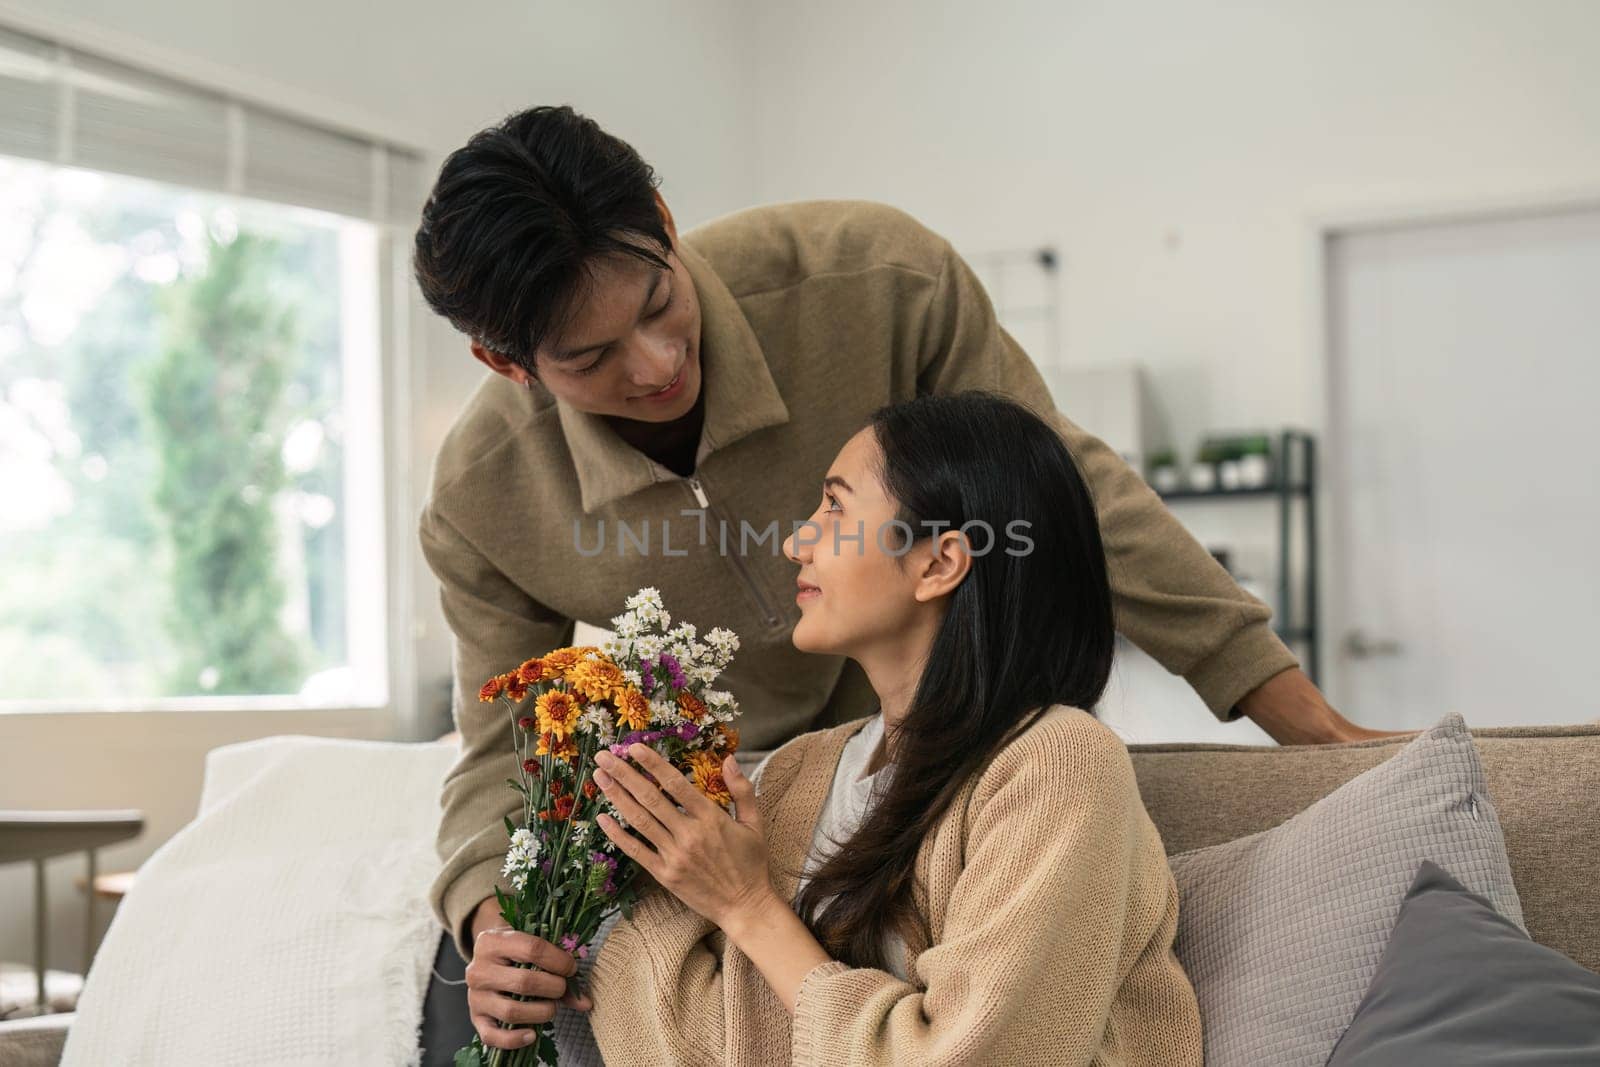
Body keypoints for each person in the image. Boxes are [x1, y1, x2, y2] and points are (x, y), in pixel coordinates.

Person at [409, 105, 1409, 1060]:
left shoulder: (872, 281)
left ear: (667, 227)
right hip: (766, 808)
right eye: (592, 357)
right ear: (507, 362)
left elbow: (1063, 489)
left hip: (937, 754)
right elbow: (501, 740)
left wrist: (1307, 725)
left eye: (661, 302)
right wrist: (495, 916)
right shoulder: (481, 496)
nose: (660, 362)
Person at [576, 391, 1205, 1064]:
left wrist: (749, 906)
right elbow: (718, 1032)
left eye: (835, 507)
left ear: (938, 563)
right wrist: (571, 946)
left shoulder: (1060, 762)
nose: (794, 541)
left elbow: (980, 1054)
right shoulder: (794, 772)